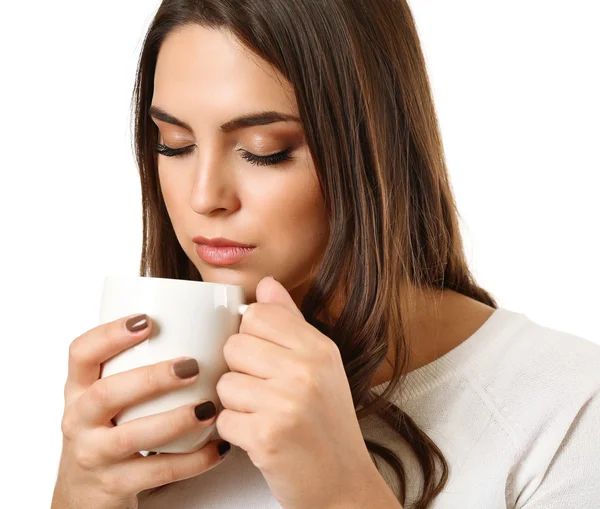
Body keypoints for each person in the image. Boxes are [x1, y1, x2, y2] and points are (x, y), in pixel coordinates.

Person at [50, 1, 600, 508]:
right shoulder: (151, 412)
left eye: (265, 152)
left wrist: (340, 491)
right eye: (174, 143)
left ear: (376, 145)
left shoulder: (566, 407)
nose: (203, 198)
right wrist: (78, 493)